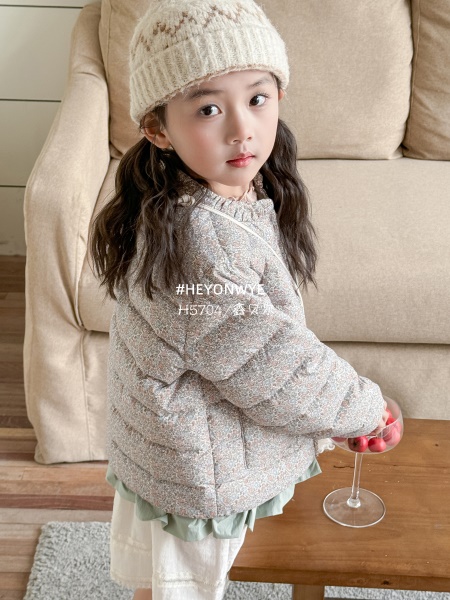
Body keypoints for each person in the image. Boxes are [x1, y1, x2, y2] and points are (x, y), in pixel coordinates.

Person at [88, 0, 389, 598]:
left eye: (257, 98)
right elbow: (268, 360)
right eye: (208, 109)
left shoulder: (225, 194)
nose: (241, 128)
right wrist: (365, 408)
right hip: (196, 462)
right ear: (157, 129)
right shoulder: (196, 245)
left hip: (180, 445)